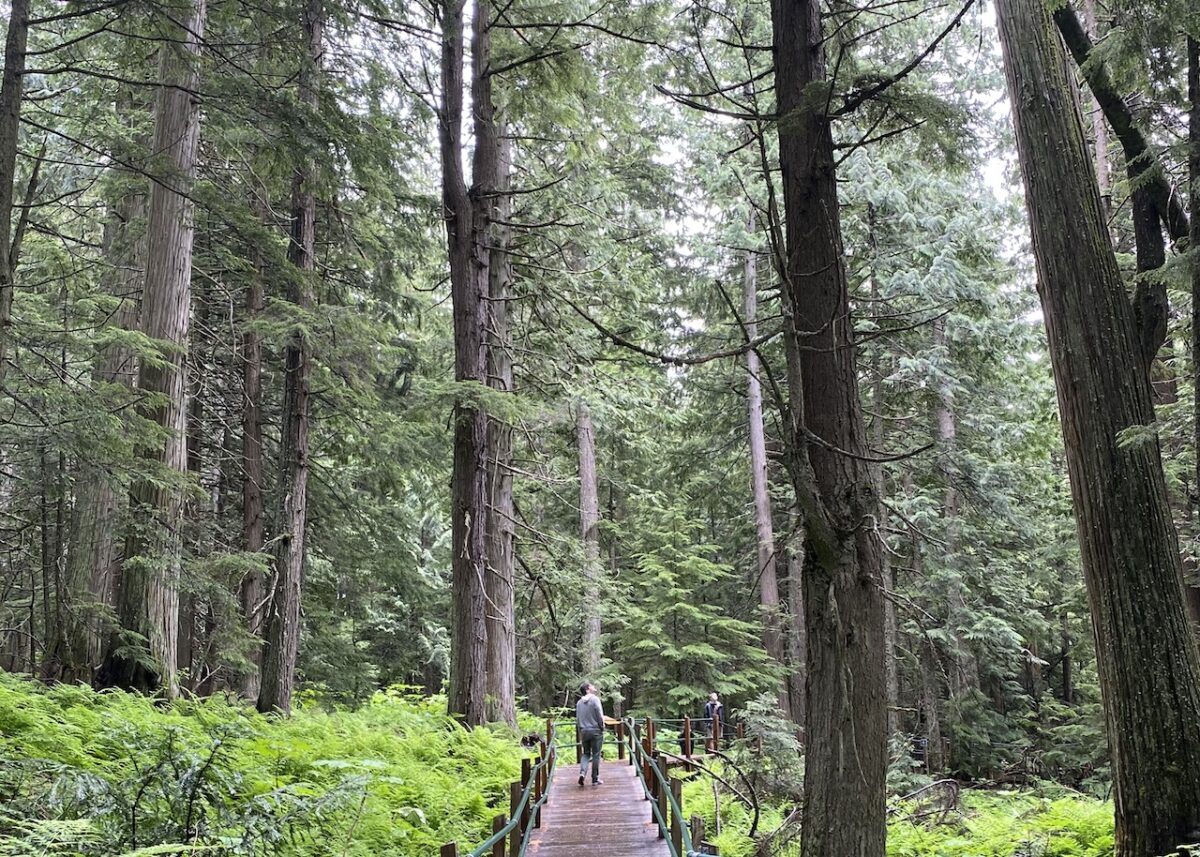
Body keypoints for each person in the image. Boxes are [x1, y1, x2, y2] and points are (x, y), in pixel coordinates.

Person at [575, 682, 605, 786]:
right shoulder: (595, 700)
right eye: (591, 686)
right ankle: (594, 779)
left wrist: (580, 730)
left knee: (586, 753)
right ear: (588, 689)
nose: (594, 687)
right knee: (596, 754)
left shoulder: (579, 703)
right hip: (596, 730)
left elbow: (578, 719)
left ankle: (582, 773)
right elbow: (599, 715)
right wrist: (602, 727)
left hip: (584, 731)